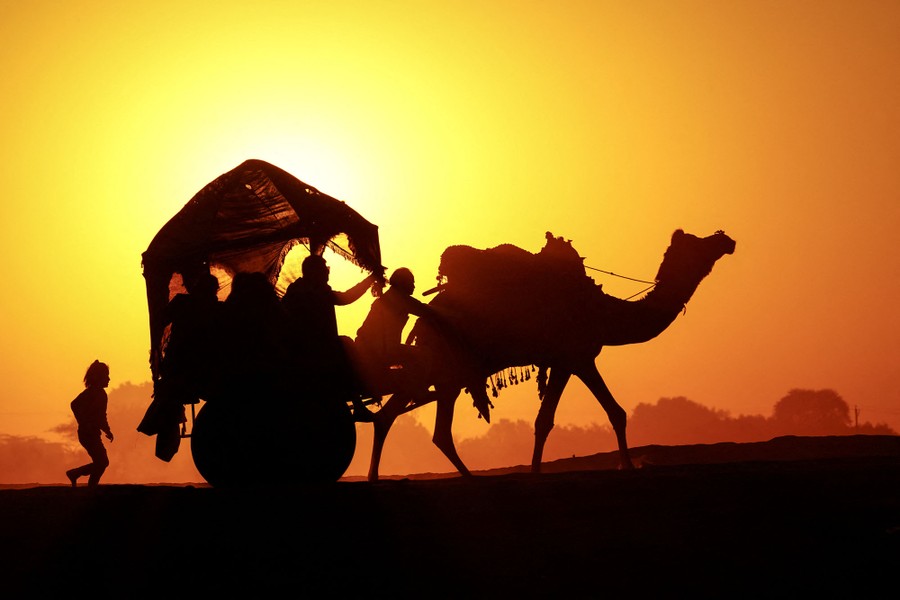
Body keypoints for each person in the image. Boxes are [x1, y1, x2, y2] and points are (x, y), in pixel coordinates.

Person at [282, 255, 378, 420]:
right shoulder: (314, 292)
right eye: (324, 270)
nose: (328, 273)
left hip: (307, 348)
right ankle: (359, 402)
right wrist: (370, 279)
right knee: (344, 346)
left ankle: (358, 402)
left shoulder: (298, 291)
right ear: (315, 272)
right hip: (314, 350)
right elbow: (347, 297)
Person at [354, 267, 433, 399]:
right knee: (424, 355)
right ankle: (418, 390)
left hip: (369, 349)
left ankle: (414, 388)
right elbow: (425, 311)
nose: (414, 286)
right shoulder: (400, 299)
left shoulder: (386, 298)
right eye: (412, 282)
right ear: (403, 283)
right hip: (382, 351)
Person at [66, 360, 113, 487]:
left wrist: (107, 430)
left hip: (92, 433)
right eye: (106, 376)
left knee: (101, 462)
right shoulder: (92, 393)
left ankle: (84, 480)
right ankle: (78, 476)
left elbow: (101, 416)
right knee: (102, 462)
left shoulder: (100, 394)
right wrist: (83, 421)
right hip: (87, 434)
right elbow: (74, 404)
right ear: (98, 377)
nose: (109, 379)